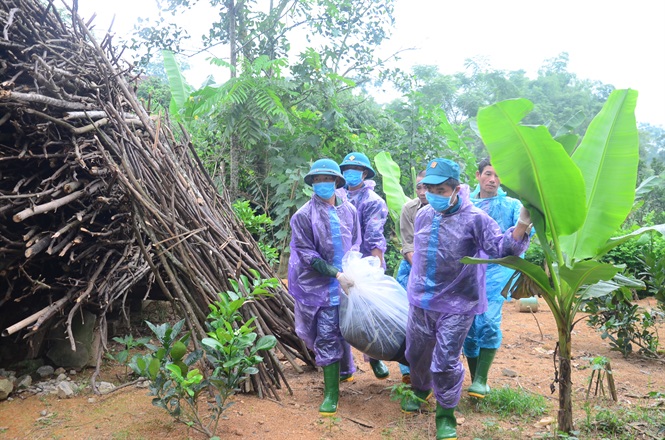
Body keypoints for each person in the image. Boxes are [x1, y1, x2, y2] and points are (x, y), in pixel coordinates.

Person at [402, 158, 531, 440]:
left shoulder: (476, 219)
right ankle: (422, 390)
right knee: (417, 353)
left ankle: (446, 413)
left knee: (446, 359)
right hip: (422, 300)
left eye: (441, 190)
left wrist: (522, 223)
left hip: (458, 303)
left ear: (456, 188)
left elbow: (501, 247)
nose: (433, 195)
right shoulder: (424, 215)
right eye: (429, 188)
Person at [288, 158, 362, 417]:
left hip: (348, 284)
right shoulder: (303, 216)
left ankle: (346, 372)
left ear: (336, 182)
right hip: (319, 287)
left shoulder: (349, 211)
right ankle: (331, 393)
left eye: (327, 179)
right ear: (311, 183)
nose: (322, 184)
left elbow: (355, 243)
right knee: (327, 334)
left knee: (347, 330)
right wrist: (334, 273)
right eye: (317, 180)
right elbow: (306, 254)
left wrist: (352, 272)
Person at [463, 158, 524, 399]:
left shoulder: (511, 205)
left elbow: (522, 234)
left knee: (488, 320)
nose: (492, 180)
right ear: (477, 175)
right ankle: (476, 379)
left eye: (497, 176)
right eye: (488, 174)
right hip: (467, 271)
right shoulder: (464, 204)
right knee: (467, 325)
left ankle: (481, 379)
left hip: (498, 271)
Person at [338, 152, 390, 380]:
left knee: (368, 314)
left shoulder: (373, 201)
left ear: (365, 173)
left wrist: (376, 270)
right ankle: (344, 366)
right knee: (339, 314)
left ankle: (374, 358)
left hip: (364, 264)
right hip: (338, 263)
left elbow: (375, 237)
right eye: (346, 169)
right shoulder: (337, 195)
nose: (350, 173)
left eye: (355, 169)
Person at [395, 169, 428, 383]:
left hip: (438, 272)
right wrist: (420, 270)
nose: (423, 191)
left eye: (427, 186)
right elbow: (407, 243)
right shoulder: (409, 209)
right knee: (405, 317)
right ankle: (407, 369)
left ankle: (430, 370)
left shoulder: (447, 209)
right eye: (419, 187)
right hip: (411, 267)